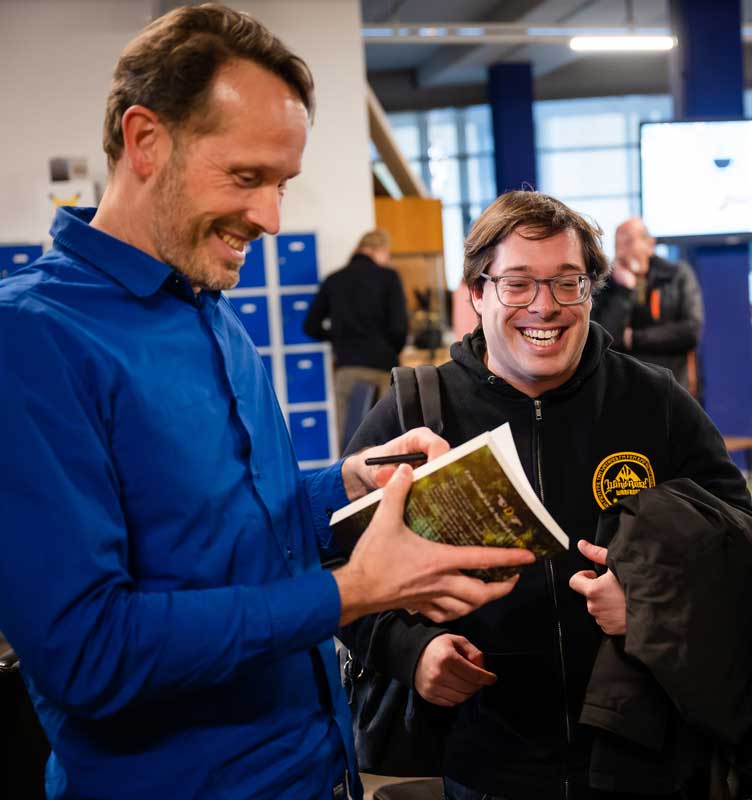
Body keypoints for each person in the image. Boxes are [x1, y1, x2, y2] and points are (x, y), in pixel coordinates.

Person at [0, 7, 534, 799]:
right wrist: (354, 591)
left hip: (320, 772)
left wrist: (347, 485)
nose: (272, 218)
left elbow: (228, 529)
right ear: (145, 140)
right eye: (246, 177)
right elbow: (89, 652)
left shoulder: (209, 310)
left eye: (280, 184)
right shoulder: (32, 338)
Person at [344, 190, 752, 800]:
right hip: (489, 763)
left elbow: (745, 542)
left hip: (647, 757)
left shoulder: (654, 403)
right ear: (477, 292)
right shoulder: (418, 413)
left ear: (590, 292)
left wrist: (652, 606)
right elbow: (338, 559)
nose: (545, 307)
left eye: (568, 283)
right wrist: (411, 649)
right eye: (517, 284)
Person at [303, 228, 408, 445]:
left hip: (348, 368)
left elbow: (310, 326)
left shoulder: (334, 280)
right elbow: (399, 328)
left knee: (352, 442)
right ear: (378, 250)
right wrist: (389, 351)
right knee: (388, 441)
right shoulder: (388, 277)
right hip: (382, 367)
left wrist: (339, 337)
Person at [592, 216, 703, 392]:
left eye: (628, 242)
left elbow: (690, 331)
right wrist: (624, 291)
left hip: (673, 386)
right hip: (625, 388)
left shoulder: (676, 276)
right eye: (617, 245)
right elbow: (606, 337)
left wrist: (633, 338)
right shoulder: (606, 286)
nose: (621, 251)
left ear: (650, 245)